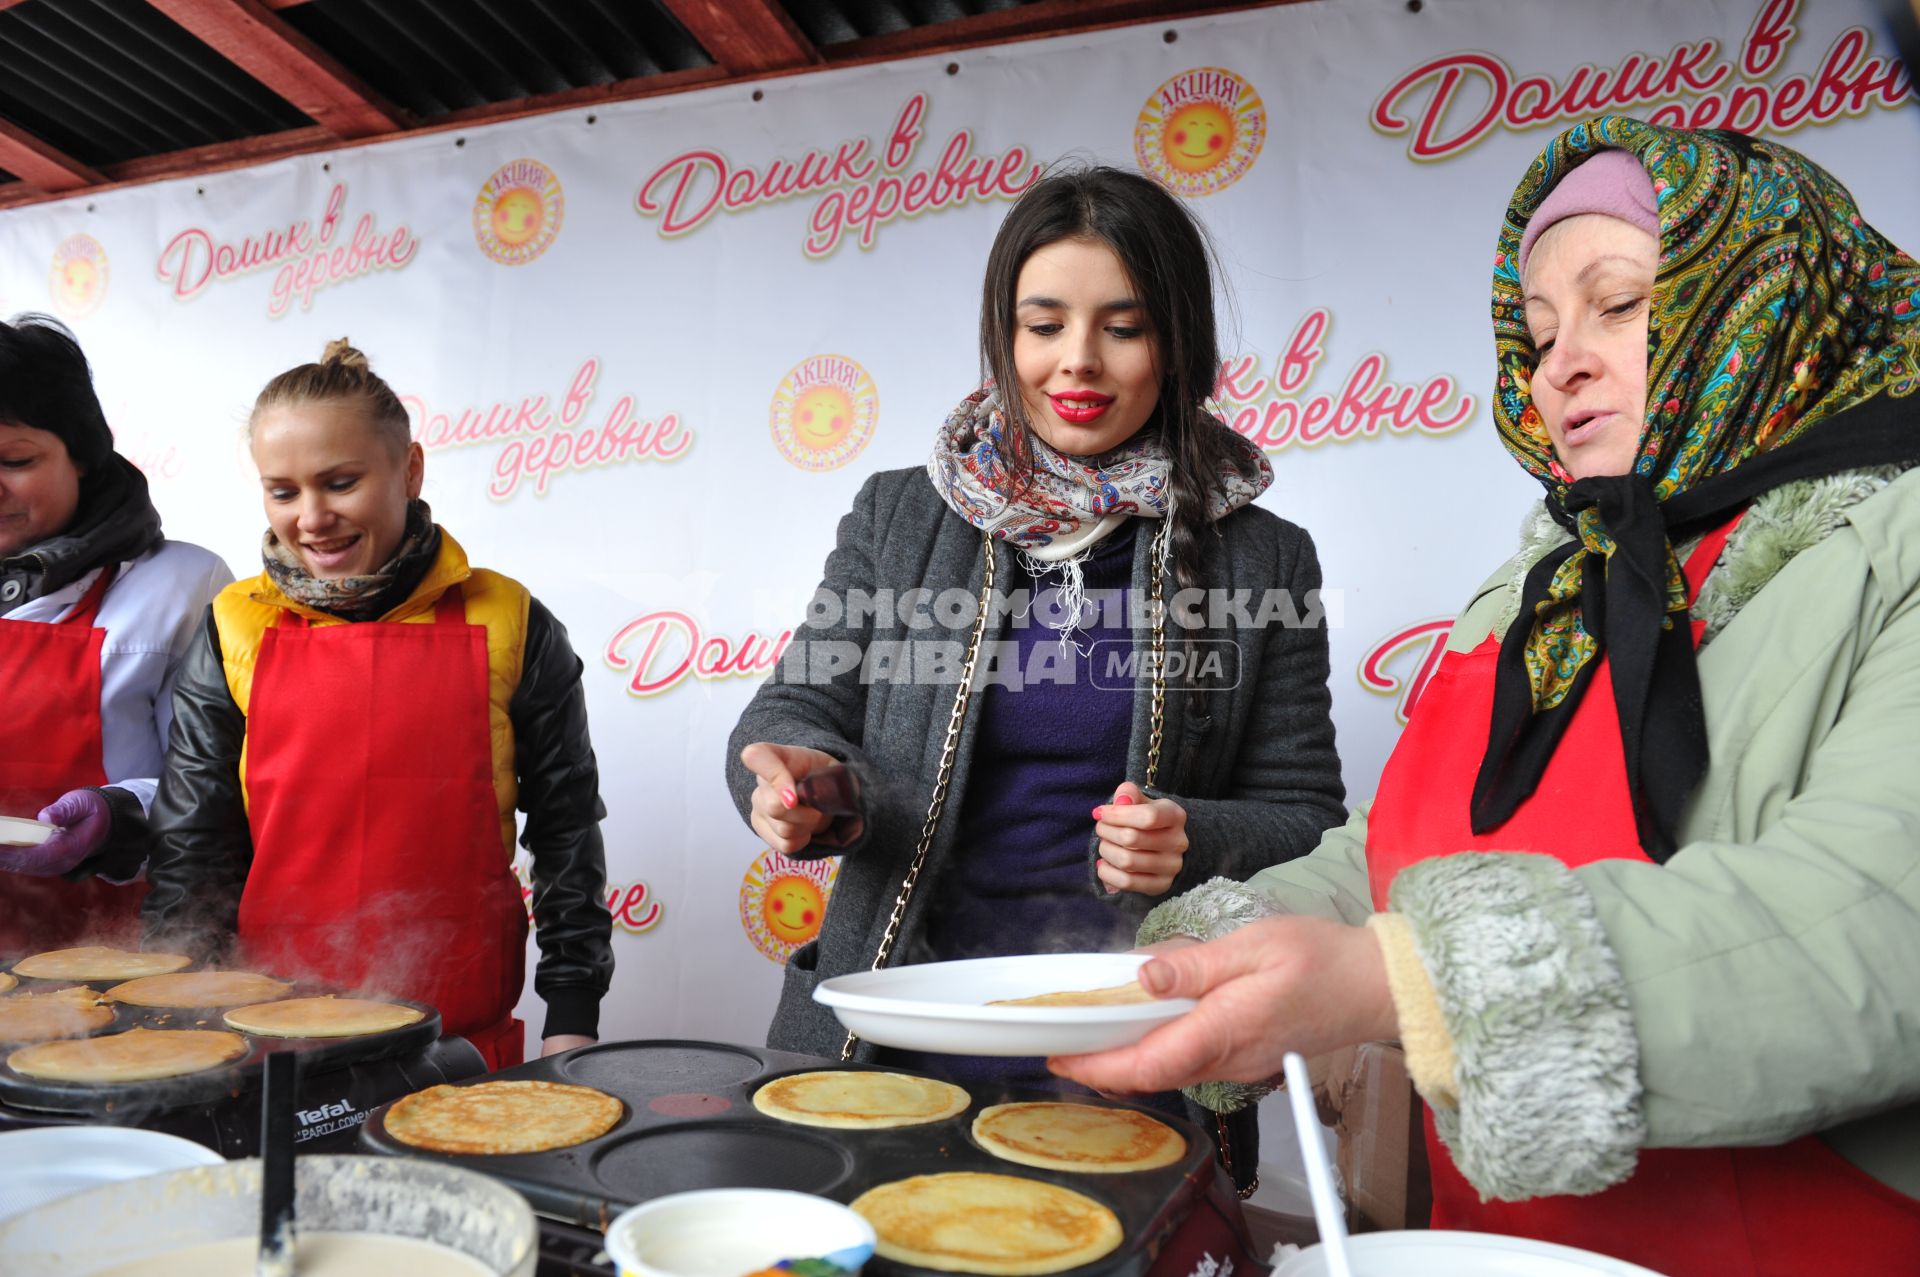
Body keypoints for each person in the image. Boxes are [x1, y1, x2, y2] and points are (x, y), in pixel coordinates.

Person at [1050, 118, 1920, 1275]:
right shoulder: (1537, 593)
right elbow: (1388, 856)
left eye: (1618, 304)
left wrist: (1398, 978)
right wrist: (1213, 954)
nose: (1559, 363)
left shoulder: (1896, 545)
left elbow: (1875, 924)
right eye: (1542, 327)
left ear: (1768, 300)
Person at [726, 166, 1347, 1191]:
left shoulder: (1260, 558)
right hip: (894, 1029)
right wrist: (799, 783)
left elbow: (1310, 817)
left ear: (1177, 342)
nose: (1078, 361)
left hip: (1136, 1050)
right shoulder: (901, 515)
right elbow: (797, 708)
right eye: (1044, 323)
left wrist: (1194, 836)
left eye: (1124, 326)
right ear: (1005, 334)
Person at [144, 340, 613, 1070]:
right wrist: (176, 1011)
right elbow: (192, 844)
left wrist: (572, 1012)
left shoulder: (509, 619)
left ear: (410, 469)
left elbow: (566, 829)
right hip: (268, 1035)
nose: (311, 517)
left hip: (460, 1039)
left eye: (339, 482)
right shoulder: (234, 623)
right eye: (283, 490)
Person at [0, 315, 231, 953]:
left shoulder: (179, 585)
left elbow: (216, 792)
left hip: (116, 973)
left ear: (84, 452)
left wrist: (116, 819)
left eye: (15, 460)